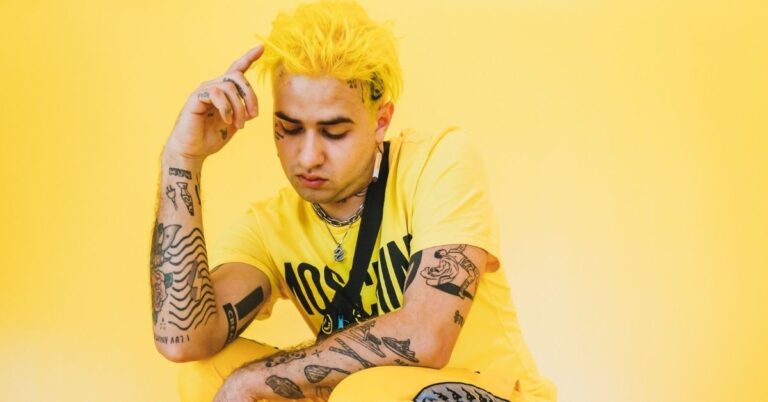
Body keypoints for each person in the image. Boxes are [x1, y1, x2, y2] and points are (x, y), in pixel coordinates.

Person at [150, 1, 557, 401]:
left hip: (487, 391)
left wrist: (252, 382)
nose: (308, 156)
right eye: (290, 129)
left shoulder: (439, 162)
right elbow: (183, 338)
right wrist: (182, 158)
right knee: (206, 373)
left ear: (381, 121)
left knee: (362, 392)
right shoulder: (270, 226)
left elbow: (426, 336)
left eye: (334, 132)